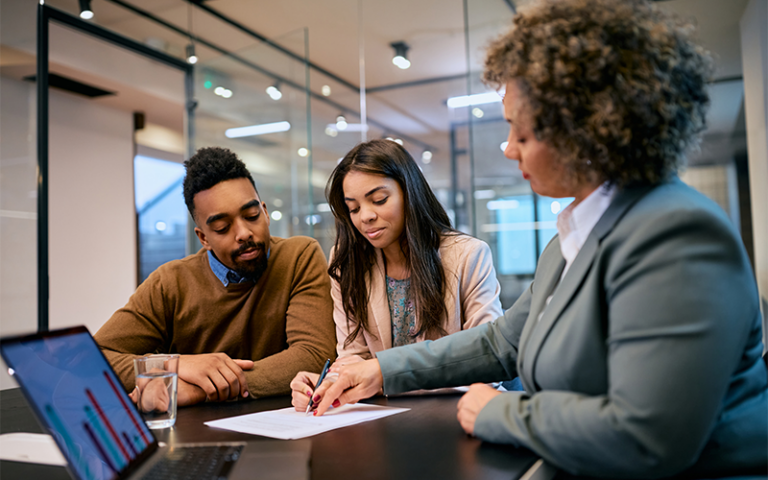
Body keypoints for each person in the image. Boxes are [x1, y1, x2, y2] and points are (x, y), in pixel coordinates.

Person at [310, 0, 768, 477]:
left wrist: (499, 412)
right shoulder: (572, 239)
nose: (508, 149)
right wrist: (379, 370)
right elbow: (500, 343)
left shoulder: (677, 236)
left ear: (586, 132)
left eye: (521, 133)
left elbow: (645, 437)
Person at [95, 147, 336, 407]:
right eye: (222, 227)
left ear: (265, 213)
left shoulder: (299, 256)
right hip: (195, 437)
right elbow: (93, 360)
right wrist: (176, 365)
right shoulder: (170, 283)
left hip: (286, 432)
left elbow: (313, 355)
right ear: (203, 238)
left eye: (252, 216)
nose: (243, 232)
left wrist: (198, 390)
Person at [290, 139, 503, 409]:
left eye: (379, 200)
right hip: (379, 421)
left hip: (453, 416)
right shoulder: (346, 262)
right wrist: (331, 382)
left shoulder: (469, 256)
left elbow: (487, 363)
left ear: (409, 192)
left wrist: (385, 377)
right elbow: (353, 358)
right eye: (353, 208)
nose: (365, 216)